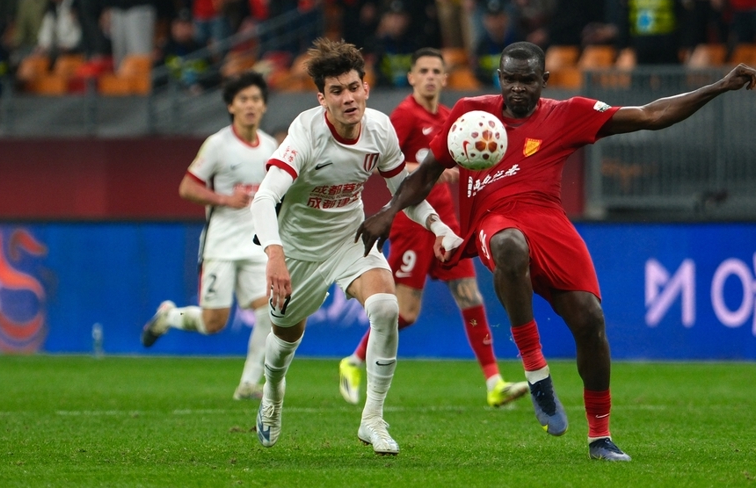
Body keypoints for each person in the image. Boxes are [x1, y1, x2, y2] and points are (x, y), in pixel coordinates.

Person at [356, 41, 756, 461]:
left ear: (544, 80)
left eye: (528, 80)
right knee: (509, 245)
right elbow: (426, 174)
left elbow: (650, 115)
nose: (517, 87)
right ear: (499, 78)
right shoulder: (470, 115)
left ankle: (600, 437)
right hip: (493, 220)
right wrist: (388, 212)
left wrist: (718, 86)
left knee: (590, 320)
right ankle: (536, 371)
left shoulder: (567, 114)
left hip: (548, 222)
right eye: (510, 79)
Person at [249, 38, 463, 455]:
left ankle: (373, 419)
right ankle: (272, 394)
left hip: (352, 239)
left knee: (386, 309)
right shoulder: (305, 133)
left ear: (366, 88)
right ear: (322, 98)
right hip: (299, 250)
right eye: (336, 91)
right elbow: (263, 198)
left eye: (353, 87)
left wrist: (438, 227)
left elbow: (404, 192)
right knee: (284, 339)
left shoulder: (380, 129)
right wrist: (275, 255)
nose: (347, 98)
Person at [338, 47, 529, 409]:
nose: (429, 77)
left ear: (444, 78)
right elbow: (382, 163)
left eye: (435, 71)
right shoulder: (404, 115)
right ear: (411, 77)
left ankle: (494, 382)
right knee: (405, 313)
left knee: (470, 295)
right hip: (411, 223)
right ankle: (354, 360)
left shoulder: (450, 119)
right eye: (422, 70)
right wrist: (430, 169)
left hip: (446, 221)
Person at [141, 71, 279, 401]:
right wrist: (224, 199)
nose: (250, 105)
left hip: (255, 245)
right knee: (213, 322)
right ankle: (169, 316)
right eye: (243, 99)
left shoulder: (271, 146)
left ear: (264, 106)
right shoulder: (218, 145)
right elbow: (187, 187)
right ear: (231, 106)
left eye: (256, 99)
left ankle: (248, 384)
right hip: (221, 244)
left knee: (271, 312)